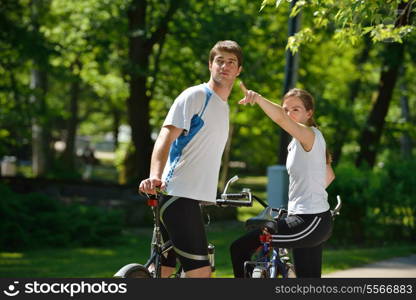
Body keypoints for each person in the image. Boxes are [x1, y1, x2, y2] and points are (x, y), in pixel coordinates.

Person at [139, 40, 243, 278]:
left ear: (239, 70)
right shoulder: (197, 96)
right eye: (219, 61)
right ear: (210, 65)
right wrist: (155, 175)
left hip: (188, 197)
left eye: (231, 62)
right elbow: (165, 136)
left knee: (163, 269)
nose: (224, 67)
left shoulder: (223, 106)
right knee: (200, 274)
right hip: (177, 194)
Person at [230, 84, 335, 278]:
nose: (289, 114)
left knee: (239, 248)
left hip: (310, 221)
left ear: (309, 113)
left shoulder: (308, 134)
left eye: (296, 109)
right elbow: (329, 176)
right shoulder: (299, 142)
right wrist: (305, 198)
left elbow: (279, 118)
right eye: (286, 109)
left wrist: (258, 98)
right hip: (310, 218)